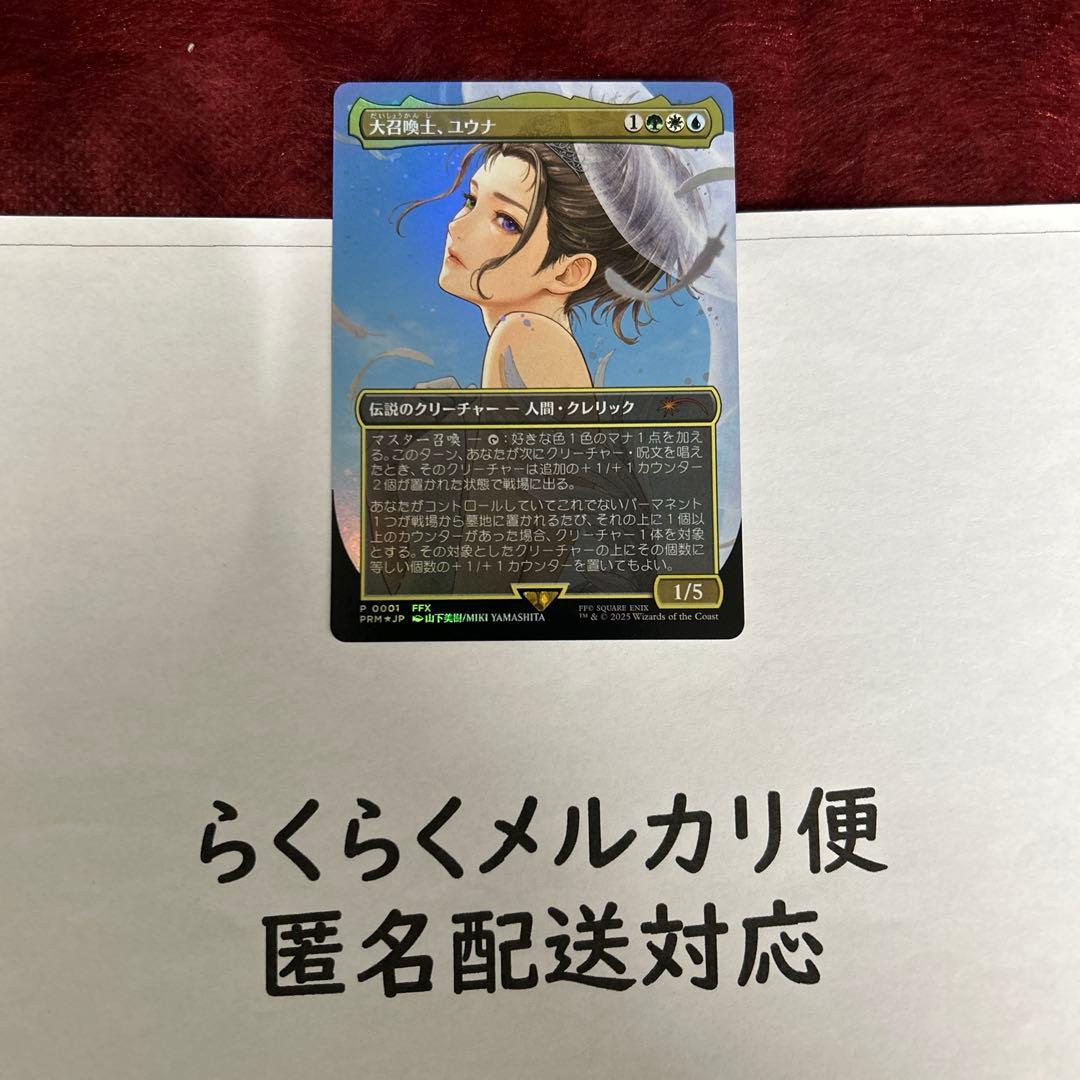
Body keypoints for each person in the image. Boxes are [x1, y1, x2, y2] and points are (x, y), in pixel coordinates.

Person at [394, 142, 668, 388]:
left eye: (506, 222)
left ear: (568, 272)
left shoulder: (526, 333)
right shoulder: (540, 341)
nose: (456, 226)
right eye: (471, 201)